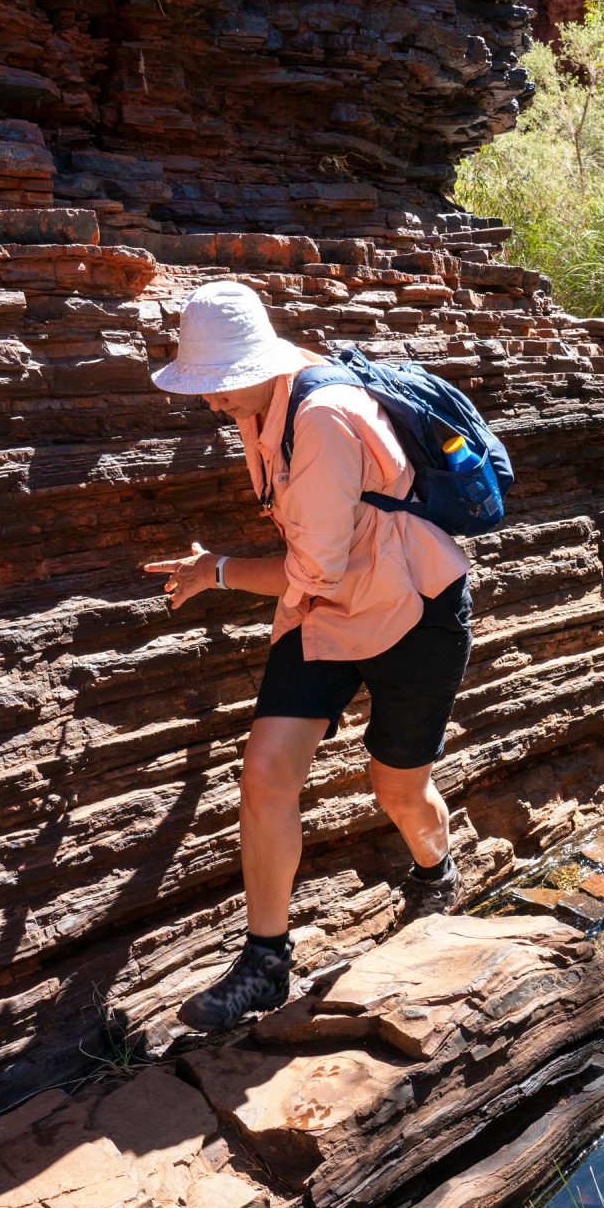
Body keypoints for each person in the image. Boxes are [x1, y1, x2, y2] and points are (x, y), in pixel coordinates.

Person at [143, 280, 472, 1031]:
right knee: (266, 772)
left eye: (222, 386)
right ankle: (265, 963)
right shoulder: (266, 404)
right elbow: (315, 567)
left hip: (411, 612)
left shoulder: (320, 415)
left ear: (263, 360)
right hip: (326, 613)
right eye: (208, 387)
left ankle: (436, 871)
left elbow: (307, 569)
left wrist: (218, 571)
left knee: (395, 790)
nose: (214, 402)